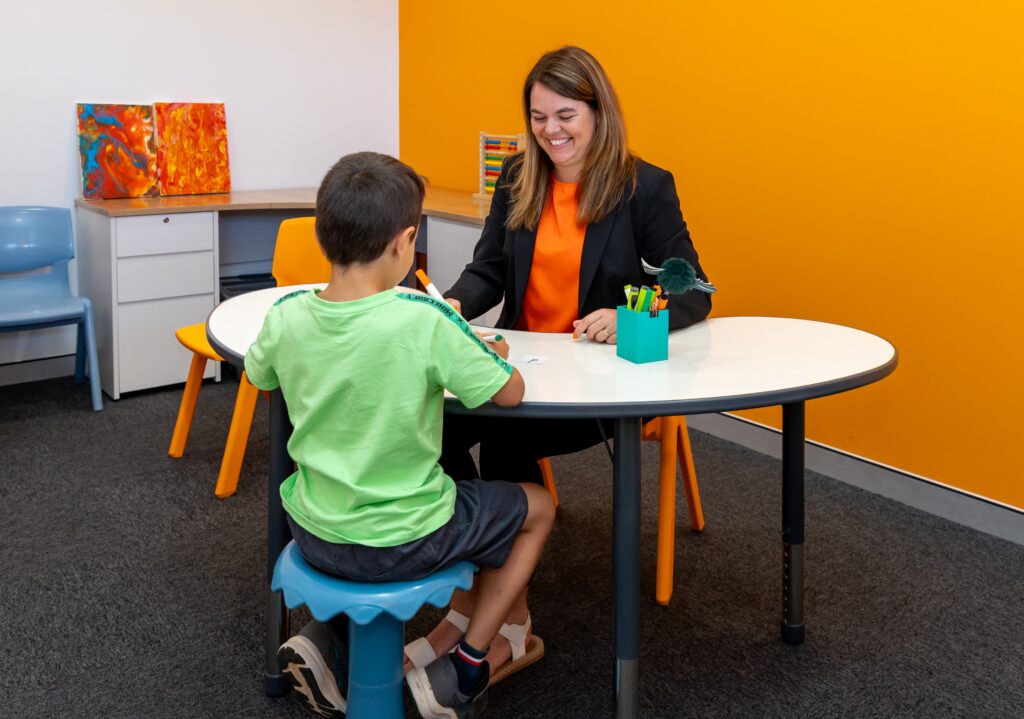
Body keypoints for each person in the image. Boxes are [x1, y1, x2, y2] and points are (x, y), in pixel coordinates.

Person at [407, 46, 712, 679]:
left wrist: (631, 317)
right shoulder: (520, 175)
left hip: (595, 388)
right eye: (540, 117)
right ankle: (494, 611)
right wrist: (454, 305)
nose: (552, 131)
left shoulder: (643, 187)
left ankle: (483, 614)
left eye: (566, 114)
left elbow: (694, 290)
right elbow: (489, 269)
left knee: (506, 450)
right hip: (521, 368)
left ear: (600, 113)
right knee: (431, 424)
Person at [244, 151, 555, 719]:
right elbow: (508, 393)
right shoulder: (422, 318)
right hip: (405, 539)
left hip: (313, 529)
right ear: (405, 240)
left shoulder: (286, 314)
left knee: (366, 523)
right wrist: (488, 349)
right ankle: (469, 659)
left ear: (321, 235)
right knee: (538, 508)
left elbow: (260, 374)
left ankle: (329, 642)